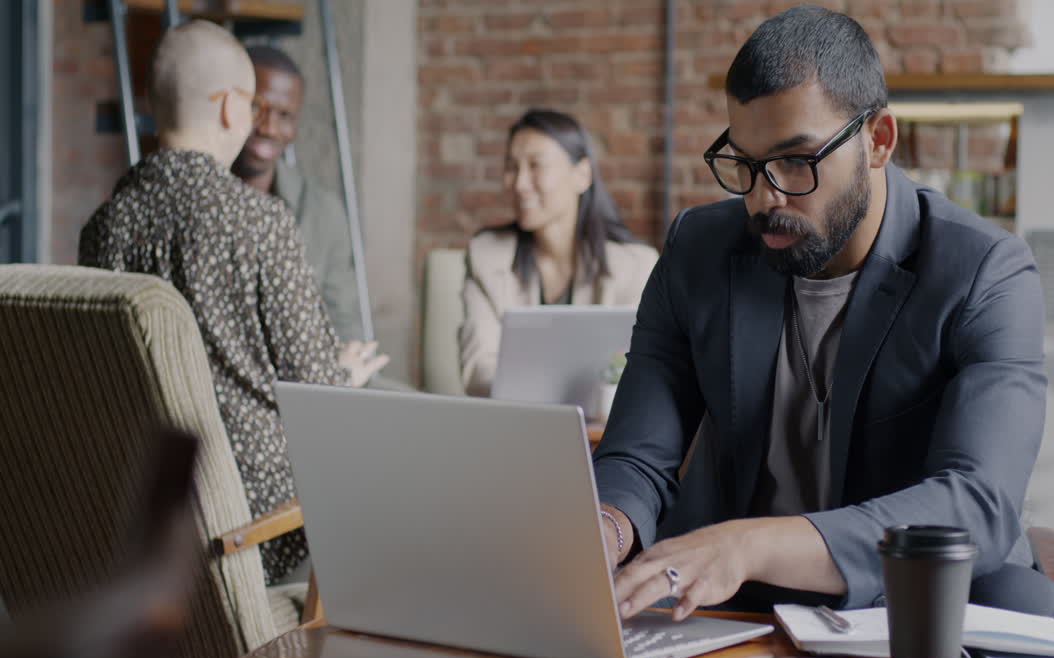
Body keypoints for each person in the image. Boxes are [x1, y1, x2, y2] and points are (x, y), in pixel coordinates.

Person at [594, 5, 1054, 629]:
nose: (765, 197)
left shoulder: (985, 271)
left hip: (912, 594)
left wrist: (749, 544)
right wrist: (605, 530)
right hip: (740, 596)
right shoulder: (700, 250)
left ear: (877, 140)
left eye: (797, 161)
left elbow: (976, 504)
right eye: (745, 162)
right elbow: (637, 456)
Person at [79, 20, 387, 584]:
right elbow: (318, 395)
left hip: (144, 512)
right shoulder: (259, 221)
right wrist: (342, 371)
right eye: (251, 105)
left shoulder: (103, 228)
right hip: (255, 523)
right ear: (228, 108)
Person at [458, 108, 659, 397]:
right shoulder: (486, 255)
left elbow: (638, 372)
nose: (518, 183)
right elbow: (477, 371)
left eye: (535, 166)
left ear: (582, 174)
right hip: (513, 425)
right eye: (512, 167)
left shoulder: (635, 266)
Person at [231, 45, 363, 344]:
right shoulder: (202, 203)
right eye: (256, 108)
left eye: (285, 116)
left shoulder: (323, 212)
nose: (269, 128)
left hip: (316, 375)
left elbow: (344, 323)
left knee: (408, 392)